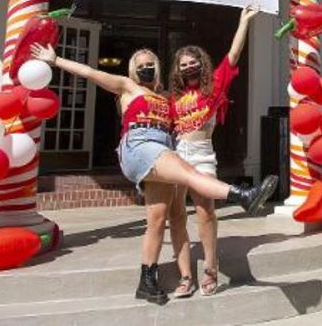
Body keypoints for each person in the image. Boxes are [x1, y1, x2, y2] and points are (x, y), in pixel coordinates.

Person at [30, 44, 278, 305]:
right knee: (189, 174)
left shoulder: (165, 96)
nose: (146, 69)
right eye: (141, 66)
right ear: (133, 71)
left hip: (162, 147)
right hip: (139, 144)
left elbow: (190, 113)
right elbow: (90, 72)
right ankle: (241, 194)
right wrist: (56, 59)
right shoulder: (127, 86)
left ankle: (146, 282)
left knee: (159, 219)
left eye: (151, 65)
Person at [167, 5, 260, 298]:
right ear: (177, 70)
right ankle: (185, 275)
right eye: (182, 65)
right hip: (178, 153)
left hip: (203, 153)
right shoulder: (173, 98)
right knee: (176, 213)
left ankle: (210, 267)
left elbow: (233, 54)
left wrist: (243, 22)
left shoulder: (215, 85)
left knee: (206, 209)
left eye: (192, 63)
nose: (188, 67)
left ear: (202, 65)